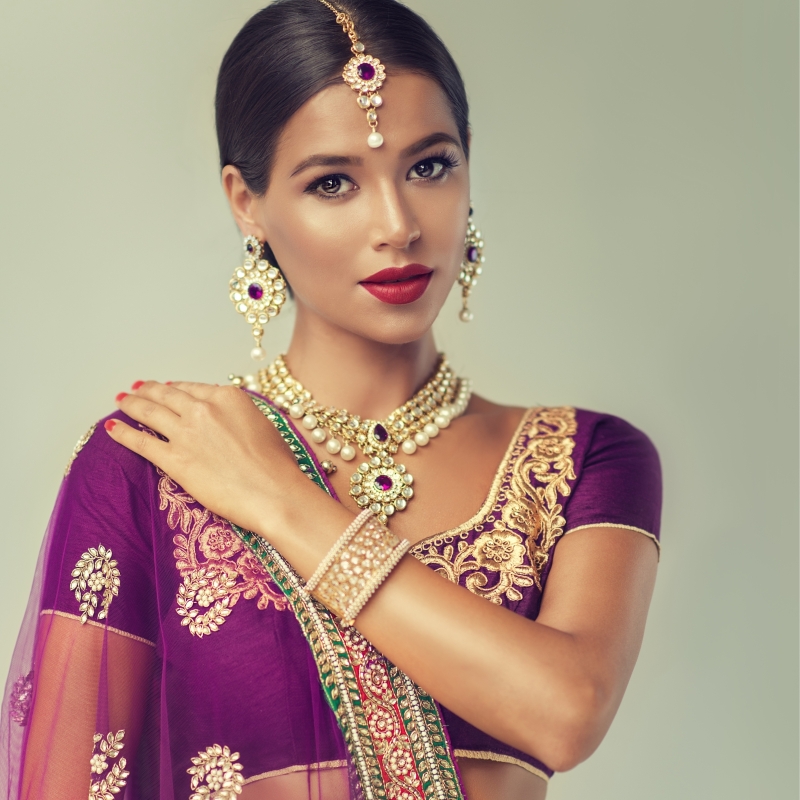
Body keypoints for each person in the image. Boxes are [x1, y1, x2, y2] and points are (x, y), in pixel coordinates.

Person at [0, 1, 662, 798]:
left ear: (469, 164)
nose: (397, 225)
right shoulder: (152, 461)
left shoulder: (587, 457)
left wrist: (282, 502)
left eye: (429, 167)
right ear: (246, 202)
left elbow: (567, 711)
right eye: (333, 183)